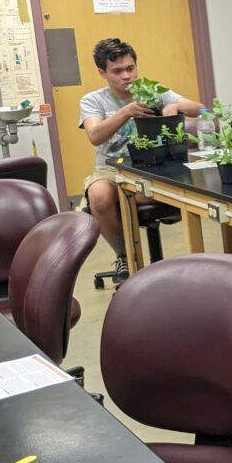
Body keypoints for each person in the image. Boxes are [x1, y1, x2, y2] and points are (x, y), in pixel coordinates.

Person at [79, 38, 202, 282]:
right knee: (100, 197)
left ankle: (197, 265)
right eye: (117, 71)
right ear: (102, 72)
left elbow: (202, 109)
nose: (126, 76)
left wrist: (177, 105)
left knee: (186, 191)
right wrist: (126, 112)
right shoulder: (93, 100)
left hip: (153, 168)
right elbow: (94, 135)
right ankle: (125, 257)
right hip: (111, 170)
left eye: (130, 68)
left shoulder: (151, 91)